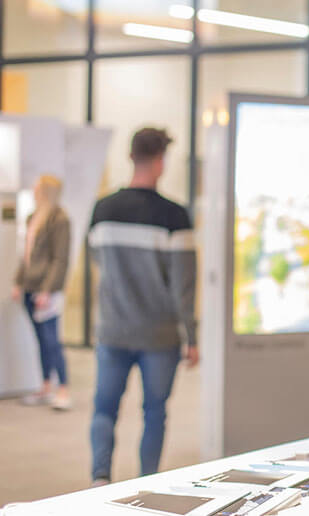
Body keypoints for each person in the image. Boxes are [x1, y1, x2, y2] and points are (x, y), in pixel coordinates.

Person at [87, 128, 198, 485]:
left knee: (104, 409)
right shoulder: (175, 216)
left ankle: (99, 478)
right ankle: (145, 483)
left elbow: (96, 259)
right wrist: (191, 336)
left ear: (131, 157)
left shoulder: (102, 209)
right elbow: (183, 286)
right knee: (154, 413)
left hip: (112, 329)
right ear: (161, 162)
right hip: (160, 335)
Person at [13, 175, 72, 410]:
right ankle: (46, 386)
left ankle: (64, 389)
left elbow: (60, 259)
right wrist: (19, 282)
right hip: (30, 286)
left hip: (47, 291)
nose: (33, 190)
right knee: (40, 340)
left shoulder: (60, 219)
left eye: (37, 187)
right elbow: (25, 256)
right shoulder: (32, 218)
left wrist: (47, 290)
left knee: (51, 340)